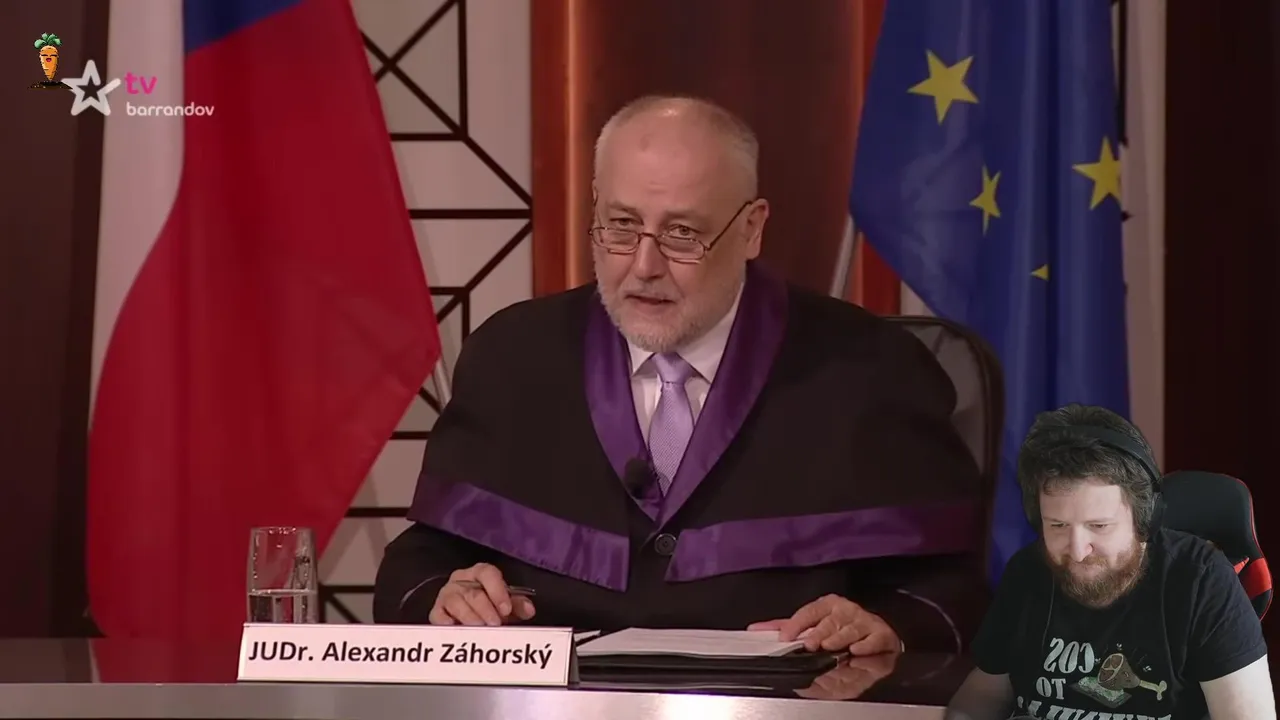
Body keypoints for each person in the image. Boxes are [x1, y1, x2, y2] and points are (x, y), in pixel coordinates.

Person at [373, 94, 989, 655]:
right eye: (621, 225)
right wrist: (446, 598)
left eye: (682, 233)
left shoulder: (871, 369)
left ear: (751, 229)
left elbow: (952, 590)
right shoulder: (513, 357)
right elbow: (422, 562)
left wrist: (887, 625)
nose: (644, 265)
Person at [944, 404, 1274, 720]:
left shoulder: (1201, 580)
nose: (1077, 551)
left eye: (1099, 526)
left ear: (1144, 520)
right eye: (1057, 525)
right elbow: (984, 694)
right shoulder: (1027, 571)